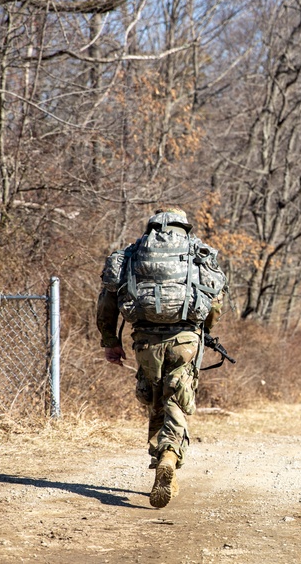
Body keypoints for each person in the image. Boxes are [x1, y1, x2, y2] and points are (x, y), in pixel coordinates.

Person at [96, 207, 227, 508]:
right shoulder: (199, 253)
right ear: (185, 226)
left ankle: (163, 465)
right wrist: (204, 330)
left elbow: (107, 303)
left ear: (151, 226)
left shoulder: (131, 255)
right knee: (176, 399)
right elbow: (215, 302)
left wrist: (111, 342)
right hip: (186, 339)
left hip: (145, 339)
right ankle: (169, 455)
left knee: (156, 399)